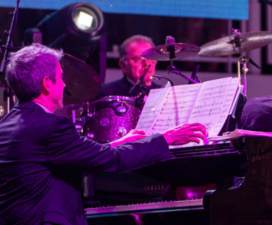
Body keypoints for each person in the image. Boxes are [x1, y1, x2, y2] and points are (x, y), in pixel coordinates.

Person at [0, 43, 206, 225]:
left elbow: (78, 156)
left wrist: (120, 142)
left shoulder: (6, 125)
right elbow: (111, 161)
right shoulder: (52, 127)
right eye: (61, 78)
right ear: (47, 83)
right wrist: (166, 138)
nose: (64, 85)